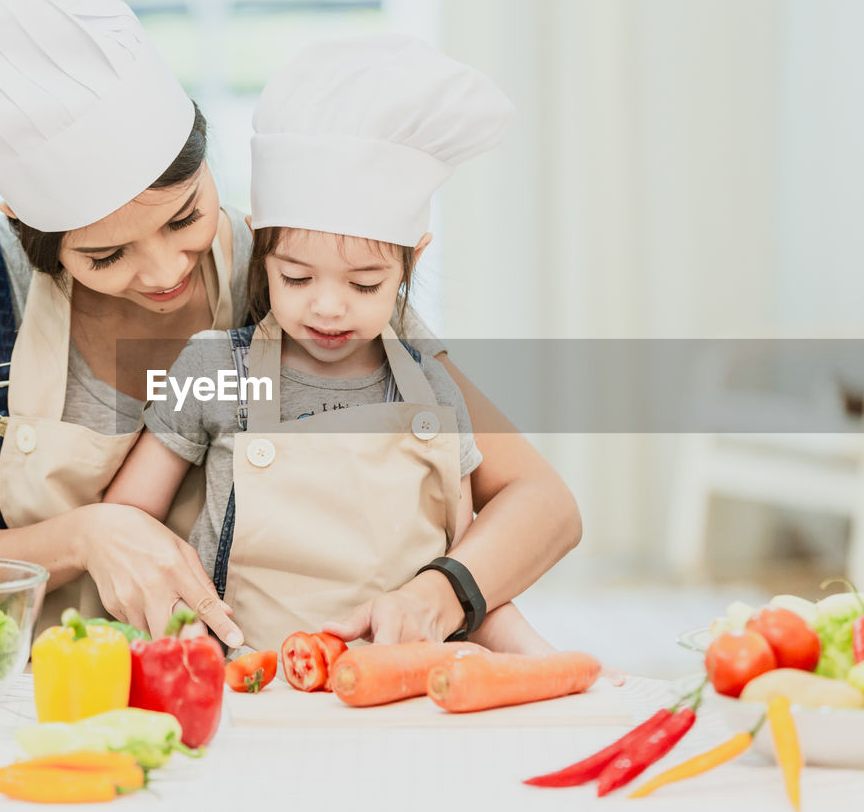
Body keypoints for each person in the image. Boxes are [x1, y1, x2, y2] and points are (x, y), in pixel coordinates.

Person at [0, 0, 582, 646]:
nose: (164, 272)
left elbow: (542, 503)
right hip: (41, 689)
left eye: (185, 216)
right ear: (19, 219)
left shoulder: (298, 277)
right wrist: (88, 534)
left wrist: (443, 589)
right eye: (105, 256)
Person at [103, 34, 558, 655]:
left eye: (366, 283)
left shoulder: (433, 389)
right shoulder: (213, 367)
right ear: (259, 253)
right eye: (296, 278)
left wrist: (549, 664)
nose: (327, 306)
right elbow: (128, 523)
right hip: (248, 682)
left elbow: (469, 564)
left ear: (411, 263)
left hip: (404, 685)